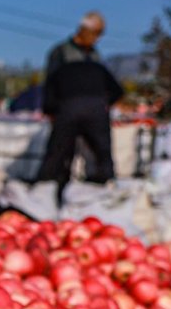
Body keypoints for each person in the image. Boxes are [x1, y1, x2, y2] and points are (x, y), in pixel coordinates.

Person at [35, 12, 122, 189]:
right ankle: (50, 191)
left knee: (101, 155)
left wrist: (103, 104)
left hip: (93, 112)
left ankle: (102, 191)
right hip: (68, 110)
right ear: (83, 30)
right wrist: (50, 109)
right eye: (95, 33)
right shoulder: (61, 53)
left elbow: (112, 88)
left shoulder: (95, 55)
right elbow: (51, 84)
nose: (97, 39)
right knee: (60, 154)